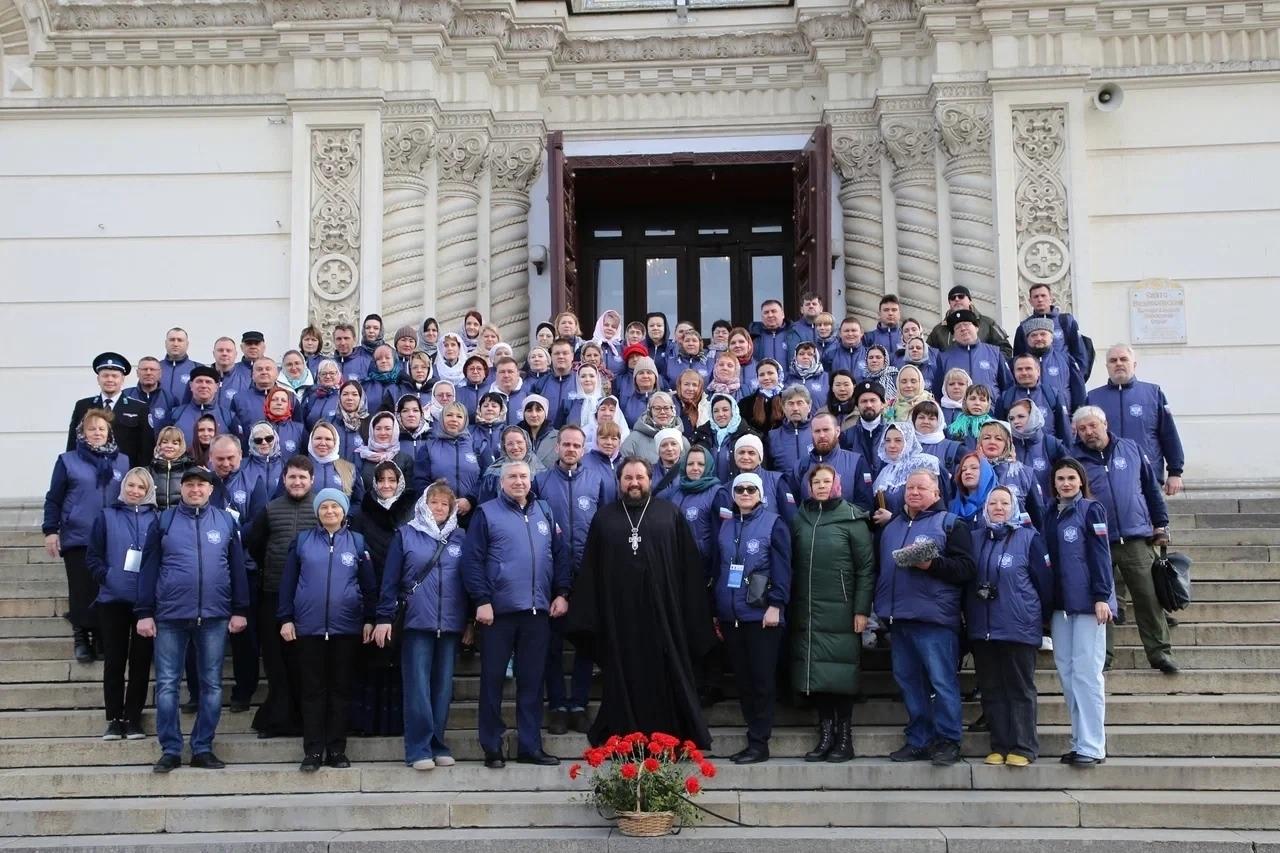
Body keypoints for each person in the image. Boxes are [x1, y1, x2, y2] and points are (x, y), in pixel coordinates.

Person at [568, 457, 715, 748]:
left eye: (640, 477)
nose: (634, 483)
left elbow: (688, 569)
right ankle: (625, 739)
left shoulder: (669, 514)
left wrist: (692, 614)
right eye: (628, 478)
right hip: (618, 615)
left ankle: (667, 739)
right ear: (619, 482)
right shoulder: (604, 518)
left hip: (663, 616)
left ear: (650, 479)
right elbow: (591, 570)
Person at [135, 466, 250, 773]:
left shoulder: (226, 521)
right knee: (168, 685)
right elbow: (148, 569)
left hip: (214, 616)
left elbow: (237, 568)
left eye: (202, 485)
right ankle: (171, 749)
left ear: (211, 490)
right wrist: (144, 612)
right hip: (170, 616)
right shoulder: (164, 521)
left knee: (212, 685)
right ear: (181, 489)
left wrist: (240, 608)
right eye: (190, 485)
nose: (195, 489)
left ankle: (202, 747)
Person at [462, 460, 571, 768]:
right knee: (493, 680)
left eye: (524, 476)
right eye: (513, 476)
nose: (519, 481)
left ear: (531, 479)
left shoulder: (545, 511)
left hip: (537, 612)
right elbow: (472, 561)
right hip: (498, 613)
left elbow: (560, 555)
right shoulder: (486, 513)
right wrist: (481, 600)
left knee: (533, 682)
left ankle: (530, 746)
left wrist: (562, 593)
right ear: (501, 481)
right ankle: (492, 746)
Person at [876, 469, 976, 766]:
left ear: (936, 493)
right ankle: (919, 738)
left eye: (922, 488)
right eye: (910, 488)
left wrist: (930, 564)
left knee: (942, 682)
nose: (914, 492)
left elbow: (967, 569)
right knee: (908, 682)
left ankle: (948, 740)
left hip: (934, 618)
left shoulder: (950, 523)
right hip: (899, 616)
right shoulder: (892, 526)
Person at [1071, 406, 1177, 673]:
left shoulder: (1130, 448)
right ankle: (1103, 657)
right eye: (1082, 429)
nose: (1088, 432)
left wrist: (1161, 523)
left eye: (1092, 426)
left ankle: (1159, 653)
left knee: (1148, 598)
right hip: (1097, 542)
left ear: (1105, 423)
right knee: (1103, 602)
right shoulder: (1074, 459)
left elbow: (1151, 487)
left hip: (1135, 537)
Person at [277, 488, 377, 771]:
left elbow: (369, 586)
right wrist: (285, 618)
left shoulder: (357, 543)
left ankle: (336, 750)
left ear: (344, 512)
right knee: (312, 692)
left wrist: (370, 618)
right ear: (318, 512)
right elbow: (288, 583)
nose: (330, 511)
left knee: (340, 691)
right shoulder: (303, 541)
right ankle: (312, 751)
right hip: (308, 629)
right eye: (324, 507)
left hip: (346, 629)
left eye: (335, 507)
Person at [372, 480, 468, 770]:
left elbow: (469, 581)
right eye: (433, 502)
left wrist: (471, 621)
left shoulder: (461, 537)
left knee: (442, 689)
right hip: (416, 622)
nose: (438, 508)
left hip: (450, 623)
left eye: (444, 504)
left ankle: (438, 743)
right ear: (423, 505)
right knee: (417, 689)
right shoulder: (406, 534)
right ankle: (418, 748)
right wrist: (383, 618)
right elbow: (389, 581)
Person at [789, 464, 875, 763]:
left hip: (842, 609)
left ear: (837, 484)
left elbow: (866, 568)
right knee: (818, 674)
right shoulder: (801, 518)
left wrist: (862, 609)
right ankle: (825, 735)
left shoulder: (853, 518)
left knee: (841, 674)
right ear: (809, 486)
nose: (822, 486)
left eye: (827, 481)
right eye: (817, 482)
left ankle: (844, 738)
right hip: (808, 609)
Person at [966, 487, 1052, 767]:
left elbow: (1045, 584)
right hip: (984, 627)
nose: (998, 507)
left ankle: (1024, 746)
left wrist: (1041, 621)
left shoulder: (1030, 538)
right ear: (985, 507)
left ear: (1014, 507)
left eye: (1005, 503)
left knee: (1019, 688)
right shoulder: (975, 538)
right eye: (993, 502)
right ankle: (1000, 745)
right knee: (991, 688)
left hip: (1018, 627)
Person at [533, 425, 609, 735]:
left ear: (583, 447)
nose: (571, 450)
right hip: (550, 576)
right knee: (551, 645)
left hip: (586, 575)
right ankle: (557, 706)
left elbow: (605, 526)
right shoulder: (540, 481)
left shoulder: (597, 480)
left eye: (577, 445)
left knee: (584, 643)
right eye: (566, 444)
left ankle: (578, 704)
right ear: (558, 447)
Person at [712, 471, 791, 764]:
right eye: (740, 489)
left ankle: (760, 741)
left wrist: (777, 605)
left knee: (761, 680)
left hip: (761, 615)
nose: (745, 494)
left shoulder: (774, 523)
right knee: (744, 681)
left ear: (760, 494)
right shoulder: (726, 526)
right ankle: (752, 736)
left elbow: (783, 567)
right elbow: (718, 568)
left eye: (751, 489)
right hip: (731, 614)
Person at [45, 407, 131, 663]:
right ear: (82, 432)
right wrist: (51, 530)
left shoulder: (122, 461)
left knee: (106, 587)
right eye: (91, 429)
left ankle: (104, 637)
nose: (97, 433)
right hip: (78, 535)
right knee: (82, 589)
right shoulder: (67, 460)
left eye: (101, 429)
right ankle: (82, 636)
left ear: (109, 433)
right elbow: (54, 498)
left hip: (112, 537)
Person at [1045, 457, 1115, 766]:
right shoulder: (1050, 513)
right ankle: (1079, 740)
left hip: (1088, 604)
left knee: (1087, 674)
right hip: (1061, 607)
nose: (1066, 483)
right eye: (1060, 478)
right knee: (1068, 674)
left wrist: (1102, 596)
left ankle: (1093, 745)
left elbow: (1101, 555)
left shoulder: (1090, 510)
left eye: (1071, 478)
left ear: (1081, 481)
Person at [242, 455, 315, 739]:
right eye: (292, 477)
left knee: (301, 661)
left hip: (308, 598)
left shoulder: (322, 508)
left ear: (312, 480)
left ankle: (302, 719)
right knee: (275, 660)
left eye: (302, 477)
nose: (297, 482)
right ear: (284, 479)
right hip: (272, 593)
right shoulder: (270, 510)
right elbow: (255, 545)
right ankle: (278, 718)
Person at [86, 466, 159, 741]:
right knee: (115, 661)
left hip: (145, 603)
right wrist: (107, 575)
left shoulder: (158, 518)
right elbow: (93, 556)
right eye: (131, 486)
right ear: (124, 487)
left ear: (148, 490)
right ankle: (114, 718)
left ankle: (133, 717)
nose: (136, 492)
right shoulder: (106, 516)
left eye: (141, 487)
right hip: (112, 599)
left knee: (141, 662)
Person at [349, 461, 416, 736]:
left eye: (391, 479)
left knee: (399, 663)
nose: (386, 485)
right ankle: (368, 723)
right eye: (381, 480)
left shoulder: (411, 511)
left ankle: (396, 724)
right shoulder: (362, 514)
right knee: (372, 660)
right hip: (371, 592)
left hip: (406, 597)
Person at [1085, 344, 1186, 496]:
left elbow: (1168, 434)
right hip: (1105, 477)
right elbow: (1083, 439)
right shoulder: (1093, 398)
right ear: (1107, 367)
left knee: (1150, 520)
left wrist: (1175, 472)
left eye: (1123, 359)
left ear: (1134, 364)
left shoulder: (1153, 393)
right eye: (1113, 361)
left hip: (1147, 475)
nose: (1118, 363)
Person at [67, 352, 154, 467]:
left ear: (122, 379)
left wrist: (139, 475)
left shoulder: (139, 408)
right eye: (105, 376)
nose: (109, 380)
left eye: (114, 376)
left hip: (125, 474)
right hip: (89, 470)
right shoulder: (83, 406)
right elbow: (72, 443)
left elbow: (146, 448)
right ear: (98, 379)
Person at [792, 413, 874, 511]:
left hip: (846, 524)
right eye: (817, 431)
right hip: (811, 525)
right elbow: (795, 508)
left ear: (837, 431)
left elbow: (865, 506)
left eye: (826, 430)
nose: (822, 435)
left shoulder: (856, 462)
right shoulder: (800, 466)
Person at [413, 402, 481, 516]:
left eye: (459, 416)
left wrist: (470, 500)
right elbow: (420, 480)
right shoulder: (428, 447)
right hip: (437, 513)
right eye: (449, 415)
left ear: (465, 421)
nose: (454, 419)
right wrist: (438, 503)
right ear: (441, 418)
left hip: (473, 513)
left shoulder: (478, 445)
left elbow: (486, 478)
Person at [1013, 283, 1093, 378]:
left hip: (1064, 379)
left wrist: (1079, 378)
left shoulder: (1066, 321)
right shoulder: (1024, 327)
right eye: (1036, 297)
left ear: (1051, 298)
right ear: (1030, 301)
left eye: (1043, 295)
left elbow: (1079, 353)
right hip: (1036, 381)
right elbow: (1018, 358)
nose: (1040, 299)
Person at [976, 420, 1044, 531]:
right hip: (980, 539)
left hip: (1017, 540)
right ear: (979, 442)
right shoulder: (970, 470)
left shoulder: (1024, 473)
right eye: (987, 438)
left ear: (1007, 443)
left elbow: (1038, 514)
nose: (992, 442)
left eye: (998, 438)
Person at [870, 422, 943, 518]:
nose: (891, 445)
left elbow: (934, 504)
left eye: (898, 440)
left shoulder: (924, 462)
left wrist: (892, 518)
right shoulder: (885, 471)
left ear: (908, 442)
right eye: (888, 440)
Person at [936, 310, 1013, 399]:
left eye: (966, 324)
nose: (963, 329)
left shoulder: (994, 353)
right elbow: (938, 391)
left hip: (991, 410)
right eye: (957, 327)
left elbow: (1008, 386)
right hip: (958, 411)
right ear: (953, 335)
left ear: (976, 328)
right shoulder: (944, 357)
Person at [997, 355, 1071, 440]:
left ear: (1038, 371)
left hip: (1046, 451)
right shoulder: (1006, 397)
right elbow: (999, 431)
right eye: (1019, 369)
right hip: (1016, 450)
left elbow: (1065, 431)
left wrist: (1065, 452)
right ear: (1014, 372)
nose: (1024, 373)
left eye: (1028, 368)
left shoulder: (1053, 395)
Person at [1008, 399, 1067, 504]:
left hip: (1051, 510)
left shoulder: (1052, 444)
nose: (1015, 421)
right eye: (1011, 419)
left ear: (1033, 416)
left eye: (1021, 416)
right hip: (1020, 512)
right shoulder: (1008, 445)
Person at [927, 285, 1012, 356]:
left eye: (961, 296)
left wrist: (993, 366)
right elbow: (929, 355)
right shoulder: (938, 330)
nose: (957, 299)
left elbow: (1005, 348)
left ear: (970, 301)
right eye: (953, 298)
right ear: (949, 303)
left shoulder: (987, 323)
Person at [691, 393, 757, 483]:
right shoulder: (701, 435)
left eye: (725, 410)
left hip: (737, 491)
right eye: (716, 411)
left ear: (733, 411)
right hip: (709, 492)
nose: (720, 414)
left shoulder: (748, 435)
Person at [303, 421, 364, 509]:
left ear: (335, 442)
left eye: (328, 439)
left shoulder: (350, 469)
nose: (323, 443)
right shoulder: (300, 467)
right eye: (318, 438)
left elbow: (359, 502)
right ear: (310, 440)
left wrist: (348, 517)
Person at [169, 365, 233, 447]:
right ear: (191, 385)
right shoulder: (175, 414)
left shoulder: (228, 416)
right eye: (199, 381)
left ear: (216, 387)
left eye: (208, 382)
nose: (203, 385)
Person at [355, 411, 415, 496]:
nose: (383, 433)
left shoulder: (405, 459)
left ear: (395, 431)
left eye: (387, 428)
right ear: (372, 430)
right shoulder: (361, 456)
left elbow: (409, 492)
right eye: (378, 429)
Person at [620, 391, 683, 464]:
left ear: (673, 411)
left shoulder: (682, 440)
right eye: (657, 408)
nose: (662, 412)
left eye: (666, 408)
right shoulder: (633, 440)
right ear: (650, 411)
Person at [840, 381, 888, 473]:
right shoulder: (846, 435)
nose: (868, 405)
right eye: (864, 401)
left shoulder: (891, 432)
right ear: (857, 406)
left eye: (873, 400)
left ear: (882, 404)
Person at [767, 385, 815, 475]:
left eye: (800, 403)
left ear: (809, 406)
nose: (795, 408)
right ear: (784, 408)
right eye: (790, 403)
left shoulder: (819, 432)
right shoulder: (773, 436)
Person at [913, 401, 965, 478]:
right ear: (914, 420)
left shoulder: (952, 448)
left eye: (931, 418)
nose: (926, 422)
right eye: (921, 417)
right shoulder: (905, 446)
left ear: (939, 421)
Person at [125, 356, 177, 431]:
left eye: (152, 370)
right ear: (137, 373)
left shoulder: (170, 399)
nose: (148, 373)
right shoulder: (126, 395)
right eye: (144, 369)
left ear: (160, 373)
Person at [149, 425, 193, 511]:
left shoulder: (190, 470)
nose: (169, 446)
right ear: (159, 444)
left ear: (181, 446)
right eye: (165, 442)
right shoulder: (149, 471)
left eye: (175, 443)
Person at [738, 358, 786, 435]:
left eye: (770, 373)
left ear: (779, 375)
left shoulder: (788, 400)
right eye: (761, 375)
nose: (766, 378)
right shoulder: (745, 403)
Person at [949, 452, 998, 527]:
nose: (967, 472)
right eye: (963, 470)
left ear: (986, 472)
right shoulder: (952, 507)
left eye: (974, 468)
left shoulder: (998, 504)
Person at [329, 381, 371, 463]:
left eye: (354, 394)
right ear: (339, 397)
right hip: (335, 473)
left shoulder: (371, 423)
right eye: (345, 394)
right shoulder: (330, 422)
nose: (349, 398)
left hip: (361, 474)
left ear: (361, 398)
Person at [946, 383, 996, 449]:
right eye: (972, 399)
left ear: (988, 404)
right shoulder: (954, 428)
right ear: (965, 401)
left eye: (982, 400)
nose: (977, 403)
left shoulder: (995, 427)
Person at [160, 327, 201, 404]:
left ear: (187, 344)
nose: (175, 344)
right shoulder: (154, 368)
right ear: (165, 343)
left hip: (186, 415)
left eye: (180, 340)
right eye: (172, 340)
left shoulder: (198, 369)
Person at [517, 395, 560, 468]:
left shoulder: (559, 437)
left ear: (545, 413)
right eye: (529, 410)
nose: (534, 415)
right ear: (524, 414)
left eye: (538, 410)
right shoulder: (515, 436)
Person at [786, 341, 829, 412]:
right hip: (792, 420)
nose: (805, 357)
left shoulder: (826, 377)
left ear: (816, 357)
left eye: (810, 354)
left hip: (819, 421)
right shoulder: (787, 377)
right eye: (801, 354)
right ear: (795, 357)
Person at [263, 387, 306, 456]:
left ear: (289, 406)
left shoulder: (300, 430)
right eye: (274, 400)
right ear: (268, 403)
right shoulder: (258, 428)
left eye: (283, 400)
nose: (279, 403)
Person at [303, 360, 344, 430]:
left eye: (332, 373)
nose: (328, 376)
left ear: (338, 375)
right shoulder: (312, 397)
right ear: (318, 377)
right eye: (323, 374)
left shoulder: (343, 395)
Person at [362, 344, 402, 412]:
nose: (383, 361)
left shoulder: (402, 383)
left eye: (387, 357)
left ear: (394, 360)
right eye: (379, 359)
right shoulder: (365, 386)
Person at [751, 298, 792, 365]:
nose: (770, 315)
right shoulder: (753, 336)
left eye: (774, 311)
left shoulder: (794, 333)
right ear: (762, 317)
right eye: (766, 312)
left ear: (782, 314)